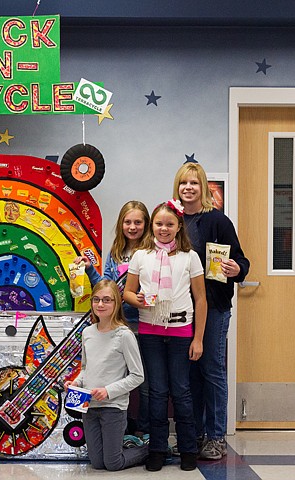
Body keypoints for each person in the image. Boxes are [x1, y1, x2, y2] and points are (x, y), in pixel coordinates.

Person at [122, 199, 206, 472]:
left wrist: (198, 338)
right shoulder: (141, 256)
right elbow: (127, 293)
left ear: (179, 226)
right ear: (152, 226)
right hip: (150, 333)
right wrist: (139, 301)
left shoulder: (189, 257)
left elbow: (201, 299)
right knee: (157, 392)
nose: (163, 229)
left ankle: (188, 448)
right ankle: (157, 449)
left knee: (181, 391)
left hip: (182, 333)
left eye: (169, 224)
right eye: (159, 224)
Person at [173, 161, 250, 461]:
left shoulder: (218, 221)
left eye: (194, 183)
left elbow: (242, 262)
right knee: (189, 372)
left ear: (203, 187)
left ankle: (216, 436)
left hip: (214, 307)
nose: (188, 188)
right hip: (181, 310)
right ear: (177, 187)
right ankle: (194, 434)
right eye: (183, 183)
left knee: (212, 369)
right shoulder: (173, 220)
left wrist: (236, 269)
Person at [74, 200, 151, 441]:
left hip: (144, 323)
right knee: (115, 380)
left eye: (138, 222)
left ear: (146, 225)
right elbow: (106, 285)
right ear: (121, 225)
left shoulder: (151, 253)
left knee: (144, 380)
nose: (132, 227)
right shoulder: (116, 252)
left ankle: (145, 430)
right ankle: (120, 427)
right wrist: (89, 269)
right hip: (117, 325)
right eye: (127, 222)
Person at [64, 279, 147, 471]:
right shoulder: (87, 333)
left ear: (116, 303)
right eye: (96, 300)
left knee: (113, 463)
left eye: (107, 300)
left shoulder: (124, 335)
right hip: (89, 406)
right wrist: (75, 382)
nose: (100, 304)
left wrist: (108, 391)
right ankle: (123, 443)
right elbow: (86, 368)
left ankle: (149, 449)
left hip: (113, 406)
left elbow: (137, 375)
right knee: (97, 463)